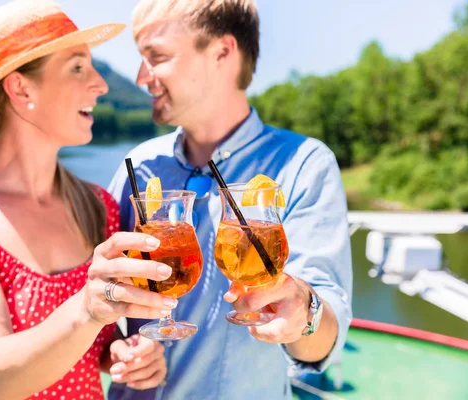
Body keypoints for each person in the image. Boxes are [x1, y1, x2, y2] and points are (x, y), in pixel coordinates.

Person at [0, 1, 170, 399]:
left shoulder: (98, 206)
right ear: (21, 88)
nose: (101, 84)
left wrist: (123, 355)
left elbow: (94, 338)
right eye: (77, 67)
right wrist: (87, 309)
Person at [106, 0, 353, 399]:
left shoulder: (305, 163)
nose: (140, 77)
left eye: (157, 57)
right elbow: (106, 303)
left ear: (222, 52)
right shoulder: (139, 166)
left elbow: (321, 343)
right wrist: (118, 346)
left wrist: (302, 313)